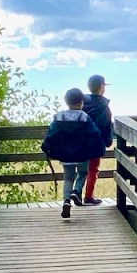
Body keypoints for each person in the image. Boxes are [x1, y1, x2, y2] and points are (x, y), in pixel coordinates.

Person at [42, 88, 106, 219]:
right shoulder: (84, 117)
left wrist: (46, 147)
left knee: (68, 178)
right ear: (81, 103)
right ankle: (76, 191)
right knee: (83, 173)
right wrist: (98, 149)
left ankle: (66, 201)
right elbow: (95, 134)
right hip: (82, 154)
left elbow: (51, 134)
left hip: (66, 155)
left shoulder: (59, 117)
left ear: (66, 102)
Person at [81, 74, 113, 206]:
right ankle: (88, 196)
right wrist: (108, 140)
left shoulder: (81, 104)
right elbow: (106, 125)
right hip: (96, 144)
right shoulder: (104, 106)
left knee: (80, 170)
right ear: (101, 87)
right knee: (93, 170)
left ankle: (75, 193)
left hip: (80, 143)